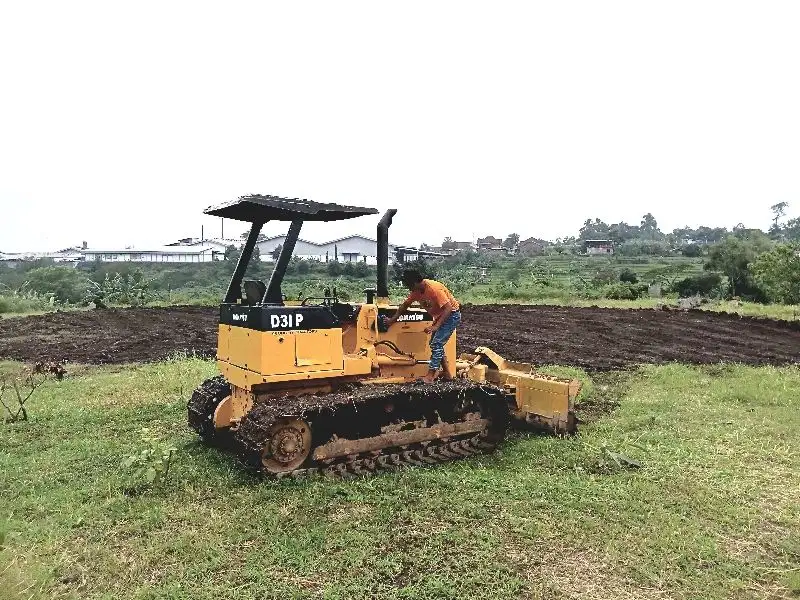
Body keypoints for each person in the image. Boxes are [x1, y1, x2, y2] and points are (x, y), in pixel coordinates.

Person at [386, 269, 461, 383]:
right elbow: (404, 306)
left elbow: (449, 308)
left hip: (451, 315)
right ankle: (447, 374)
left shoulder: (434, 289)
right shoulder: (416, 292)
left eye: (409, 285)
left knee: (436, 343)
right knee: (435, 344)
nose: (409, 288)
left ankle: (430, 376)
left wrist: (436, 326)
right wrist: (392, 320)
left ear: (415, 282)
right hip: (440, 316)